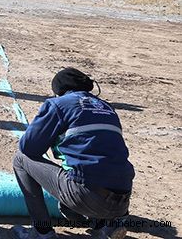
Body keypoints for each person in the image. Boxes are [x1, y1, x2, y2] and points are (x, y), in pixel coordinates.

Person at [11, 68, 134, 239]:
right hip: (122, 201)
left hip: (85, 194)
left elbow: (28, 148)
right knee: (92, 168)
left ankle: (41, 231)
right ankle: (107, 225)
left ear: (58, 91)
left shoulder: (59, 104)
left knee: (20, 159)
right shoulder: (107, 108)